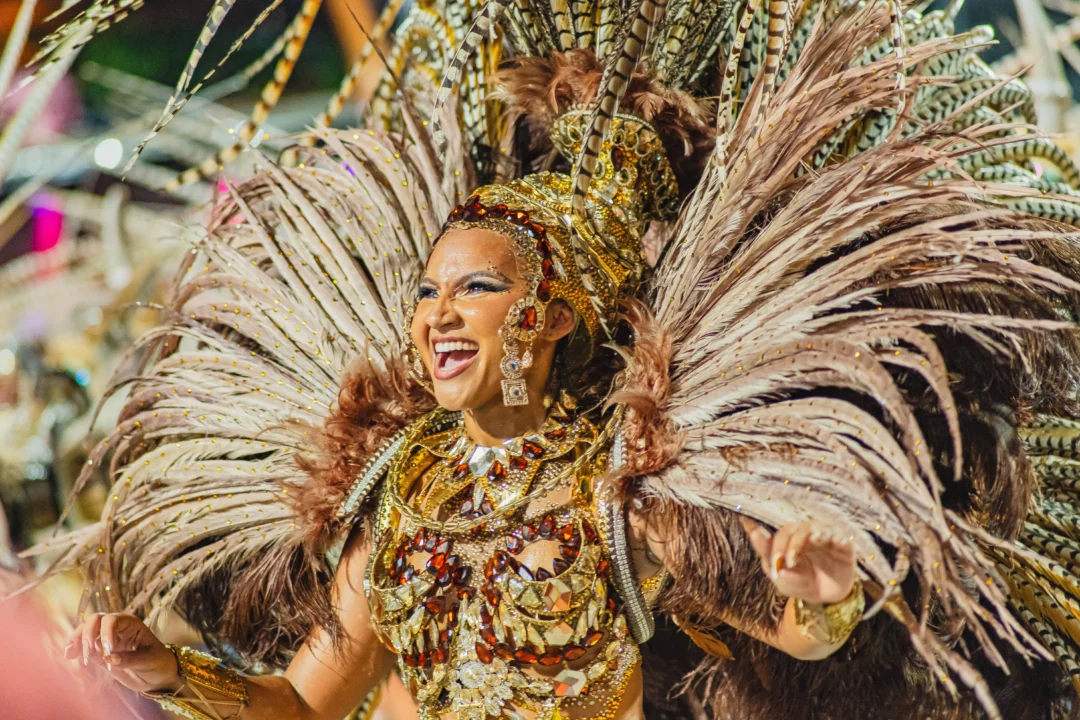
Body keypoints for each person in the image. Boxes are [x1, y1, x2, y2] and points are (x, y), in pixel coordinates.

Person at [27, 1, 1080, 719]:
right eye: (428, 292)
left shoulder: (613, 497)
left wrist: (822, 592)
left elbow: (794, 634)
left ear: (554, 316)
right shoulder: (398, 492)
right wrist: (168, 673)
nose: (440, 317)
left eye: (476, 291)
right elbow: (303, 703)